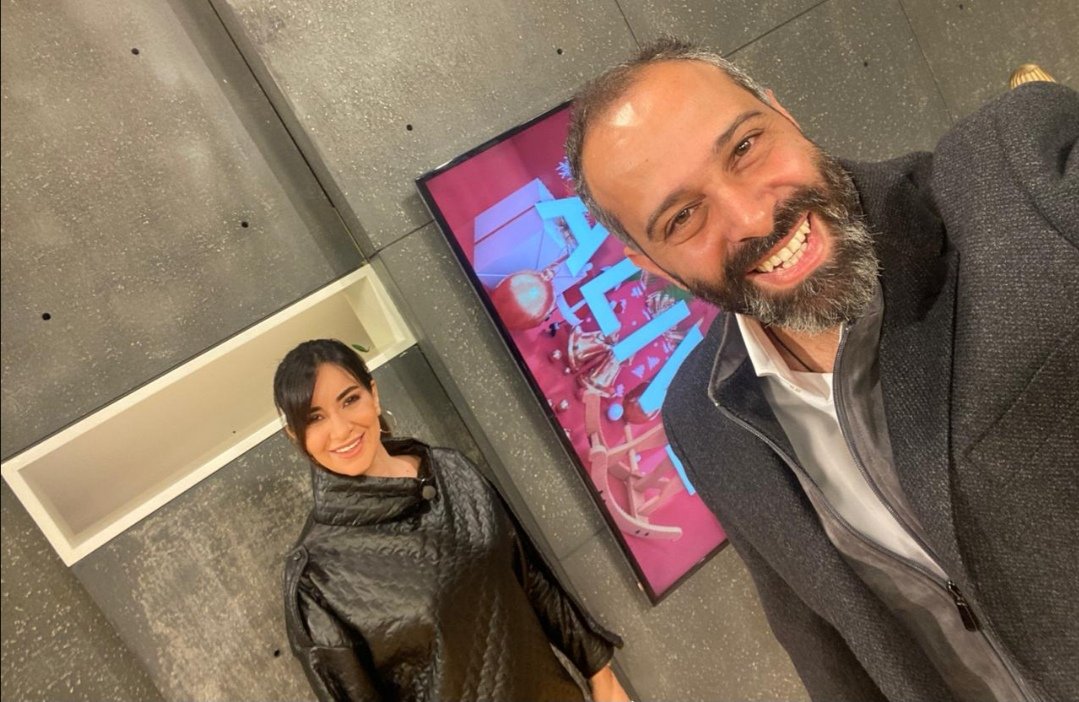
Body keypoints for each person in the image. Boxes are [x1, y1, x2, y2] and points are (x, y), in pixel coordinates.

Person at [566, 38, 1077, 702]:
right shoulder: (703, 420)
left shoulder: (1016, 173)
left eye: (745, 147)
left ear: (782, 112)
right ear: (650, 264)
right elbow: (824, 649)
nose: (753, 217)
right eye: (683, 217)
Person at [274, 339, 628, 701]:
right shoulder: (316, 577)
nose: (341, 429)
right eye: (314, 418)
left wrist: (602, 676)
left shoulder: (450, 470)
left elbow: (529, 575)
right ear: (295, 436)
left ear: (373, 395)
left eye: (350, 400)